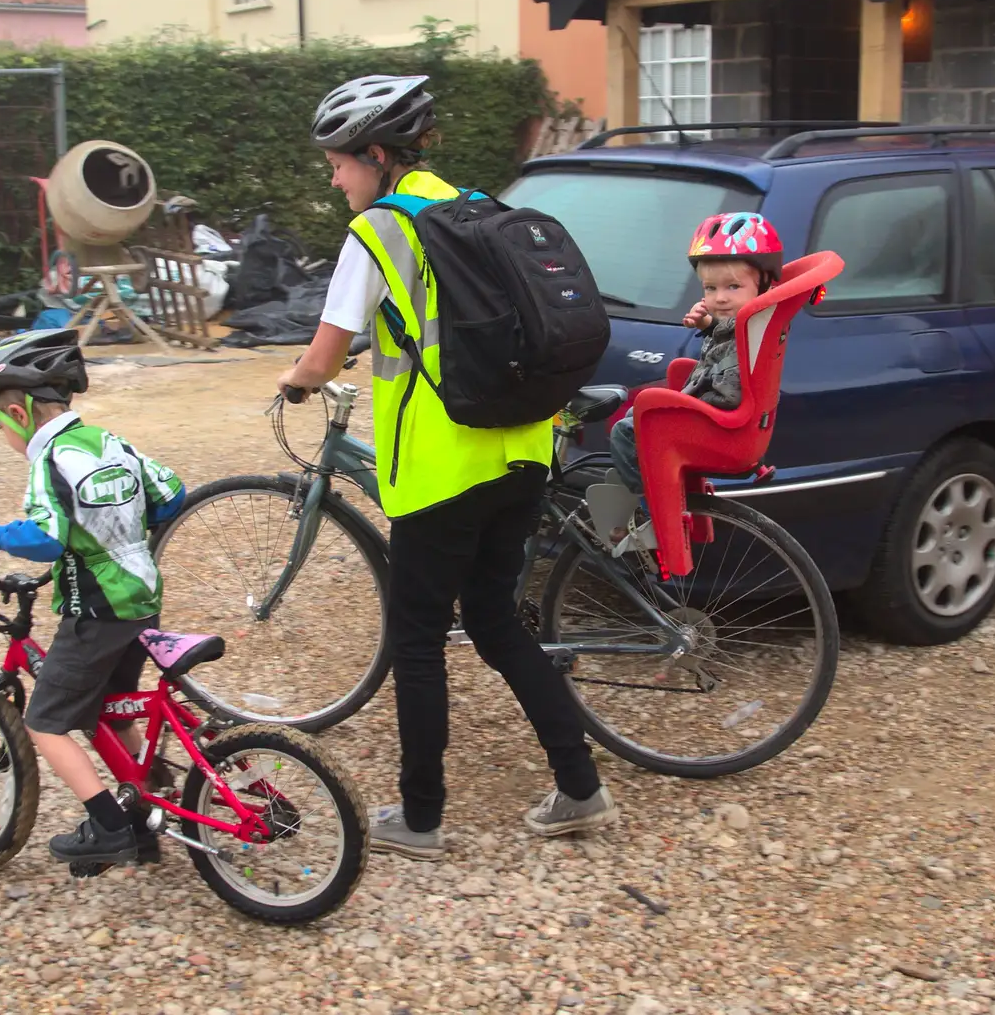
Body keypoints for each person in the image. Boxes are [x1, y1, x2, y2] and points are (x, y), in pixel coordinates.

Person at [276, 74, 618, 860]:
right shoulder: (474, 211)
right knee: (496, 621)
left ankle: (421, 818)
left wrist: (295, 379)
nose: (334, 179)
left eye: (338, 163)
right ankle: (579, 786)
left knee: (418, 638)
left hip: (440, 470)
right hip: (522, 450)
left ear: (374, 154)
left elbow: (326, 352)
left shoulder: (381, 233)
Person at [0, 328, 186, 867]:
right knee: (114, 706)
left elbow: (45, 539)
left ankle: (111, 827)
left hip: (98, 610)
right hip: (142, 598)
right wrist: (119, 529)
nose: (2, 435)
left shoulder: (48, 460)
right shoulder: (110, 442)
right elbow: (171, 494)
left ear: (17, 410)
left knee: (46, 722)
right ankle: (152, 805)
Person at [608, 212, 782, 497]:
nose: (720, 298)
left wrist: (684, 403)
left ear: (763, 286)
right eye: (710, 288)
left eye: (733, 286)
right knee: (635, 415)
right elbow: (730, 344)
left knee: (625, 432)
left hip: (721, 425)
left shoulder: (751, 330)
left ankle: (653, 504)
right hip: (720, 419)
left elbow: (729, 389)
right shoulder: (753, 325)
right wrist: (709, 324)